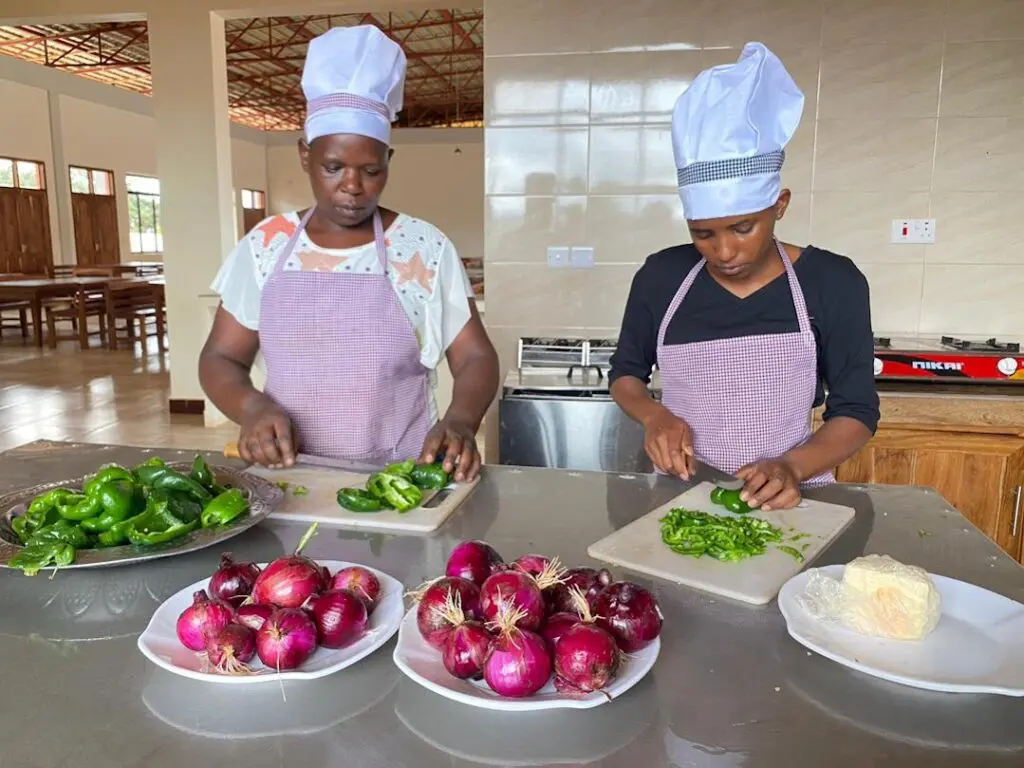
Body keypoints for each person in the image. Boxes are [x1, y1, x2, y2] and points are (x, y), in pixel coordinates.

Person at [199, 25, 498, 481]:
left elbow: (475, 357)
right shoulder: (265, 245)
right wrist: (252, 406)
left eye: (371, 170)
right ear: (305, 155)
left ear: (388, 162)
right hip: (288, 477)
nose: (353, 187)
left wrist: (460, 421)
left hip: (400, 479)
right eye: (333, 167)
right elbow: (221, 357)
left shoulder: (423, 248)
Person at [609, 42, 879, 511]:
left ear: (780, 205)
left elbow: (856, 412)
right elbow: (625, 375)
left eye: (743, 227)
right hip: (679, 498)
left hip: (792, 499)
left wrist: (791, 467)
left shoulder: (833, 281)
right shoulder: (662, 276)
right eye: (703, 234)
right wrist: (655, 416)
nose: (725, 251)